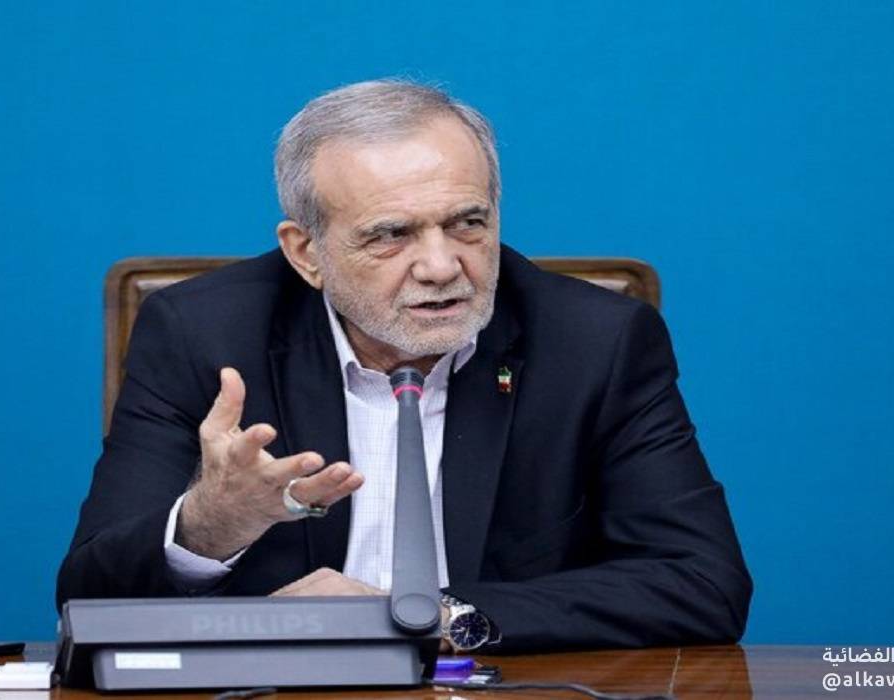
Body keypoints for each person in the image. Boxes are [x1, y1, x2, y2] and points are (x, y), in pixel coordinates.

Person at [57, 79, 751, 653]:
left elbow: (702, 584)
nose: (442, 266)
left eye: (467, 223)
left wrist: (434, 619)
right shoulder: (202, 335)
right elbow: (86, 600)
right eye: (392, 235)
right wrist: (211, 525)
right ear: (306, 253)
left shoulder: (595, 341)